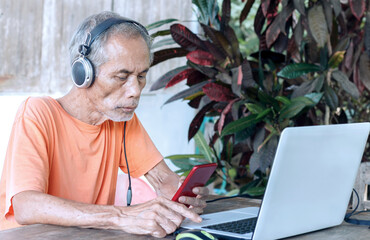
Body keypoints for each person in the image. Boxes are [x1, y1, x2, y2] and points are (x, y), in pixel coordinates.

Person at [0, 11, 208, 238]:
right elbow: (26, 205)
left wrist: (183, 198)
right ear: (84, 73)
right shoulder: (38, 113)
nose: (135, 91)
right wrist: (121, 216)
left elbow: (163, 180)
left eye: (141, 76)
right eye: (122, 76)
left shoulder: (120, 118)